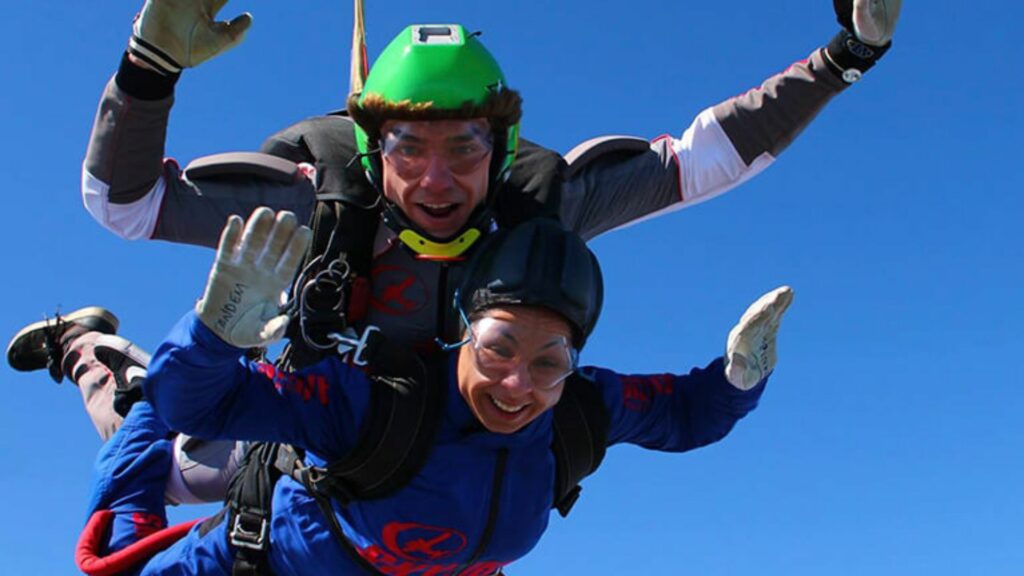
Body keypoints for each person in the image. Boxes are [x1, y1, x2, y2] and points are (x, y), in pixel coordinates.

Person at [36, 0, 897, 501]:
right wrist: (149, 68)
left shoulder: (539, 207)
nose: (438, 178)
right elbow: (122, 203)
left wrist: (845, 57)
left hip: (441, 436)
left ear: (502, 144)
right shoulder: (319, 205)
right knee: (151, 456)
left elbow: (708, 160)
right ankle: (92, 351)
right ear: (375, 153)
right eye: (410, 148)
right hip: (311, 424)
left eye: (466, 148)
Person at [73, 210, 792, 575]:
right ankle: (105, 369)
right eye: (497, 348)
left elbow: (686, 413)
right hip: (261, 563)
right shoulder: (373, 397)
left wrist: (741, 377)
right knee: (137, 455)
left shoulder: (581, 407)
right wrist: (216, 333)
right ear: (461, 332)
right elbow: (195, 405)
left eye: (549, 362)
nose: (517, 385)